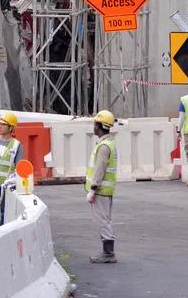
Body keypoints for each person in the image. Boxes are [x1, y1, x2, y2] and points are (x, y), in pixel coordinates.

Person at [86, 109, 118, 264]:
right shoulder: (108, 143)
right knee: (105, 219)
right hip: (105, 190)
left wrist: (93, 189)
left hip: (101, 190)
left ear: (99, 126)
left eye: (95, 124)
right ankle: (107, 252)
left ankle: (108, 253)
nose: (93, 127)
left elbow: (100, 169)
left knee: (103, 220)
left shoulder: (104, 146)